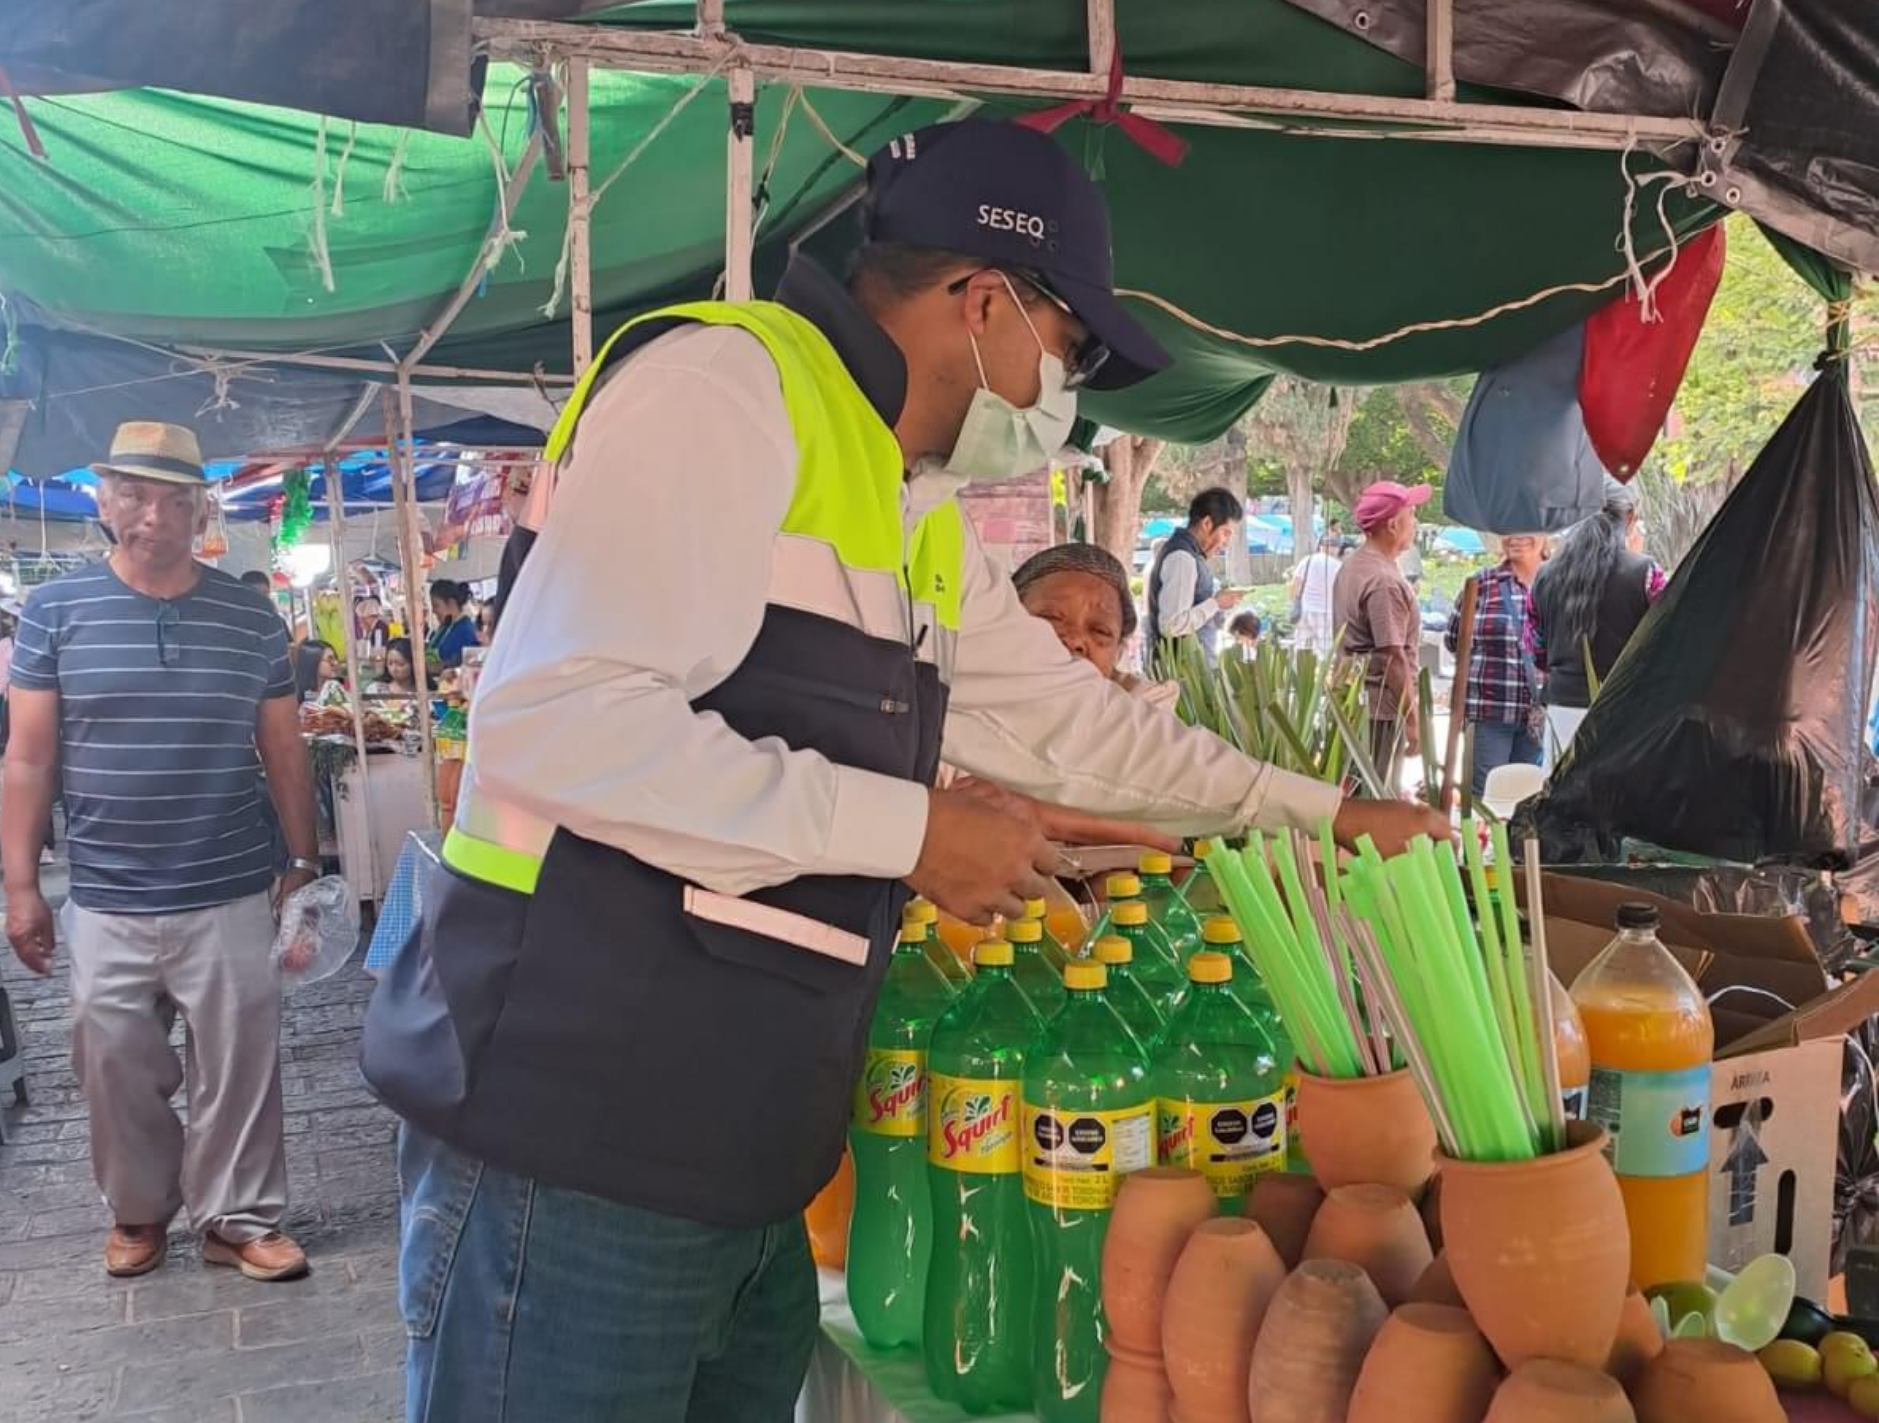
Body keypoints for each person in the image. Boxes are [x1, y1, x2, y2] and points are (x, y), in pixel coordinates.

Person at [360, 119, 1443, 1423]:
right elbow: (558, 725)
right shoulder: (725, 390)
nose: (1069, 391)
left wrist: (1330, 814)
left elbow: (1076, 725)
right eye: (1072, 348)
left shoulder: (903, 503)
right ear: (982, 301)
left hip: (743, 1157)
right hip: (575, 1146)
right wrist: (909, 829)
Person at [1, 420, 320, 1284]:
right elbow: (28, 756)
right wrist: (23, 884)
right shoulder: (53, 610)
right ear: (105, 502)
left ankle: (239, 1217)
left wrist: (303, 858)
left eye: (173, 499)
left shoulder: (250, 615)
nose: (152, 516)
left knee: (239, 1063)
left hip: (225, 882)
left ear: (198, 509)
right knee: (111, 1060)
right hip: (105, 890)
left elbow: (283, 746)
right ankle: (140, 1209)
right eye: (134, 495)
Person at [1529, 479, 1666, 758]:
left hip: (1561, 712)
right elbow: (1668, 640)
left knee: (1561, 795)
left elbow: (1537, 652)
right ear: (1630, 517)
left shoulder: (1544, 575)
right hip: (1625, 710)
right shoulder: (1646, 573)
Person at [1335, 480, 1433, 785]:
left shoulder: (1353, 566)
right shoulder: (1383, 582)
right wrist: (1413, 718)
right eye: (1412, 515)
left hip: (1355, 702)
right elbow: (1392, 656)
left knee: (1357, 791)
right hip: (1380, 710)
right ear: (1393, 525)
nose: (1415, 523)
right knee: (1377, 795)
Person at [1011, 541, 1176, 710]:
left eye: (1100, 631)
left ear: (1118, 653)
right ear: (1004, 624)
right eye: (1050, 618)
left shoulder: (1142, 720)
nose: (1074, 640)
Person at [1446, 533, 1547, 798]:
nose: (1516, 536)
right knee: (1487, 801)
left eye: (1526, 527)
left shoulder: (1558, 582)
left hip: (1539, 717)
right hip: (1490, 713)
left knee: (1529, 802)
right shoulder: (1481, 583)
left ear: (1544, 533)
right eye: (1508, 528)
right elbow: (1454, 640)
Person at [1146, 485, 1246, 662]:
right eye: (1226, 533)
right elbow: (1172, 625)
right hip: (1183, 674)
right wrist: (1215, 603)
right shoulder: (1182, 558)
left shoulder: (1187, 554)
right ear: (1207, 524)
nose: (1226, 543)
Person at [1288, 538, 1342, 653]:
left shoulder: (1307, 560)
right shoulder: (1338, 566)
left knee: (1301, 648)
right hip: (1327, 613)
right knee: (1325, 652)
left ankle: (1300, 670)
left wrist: (1294, 603)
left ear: (1321, 546)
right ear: (1336, 549)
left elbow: (1295, 584)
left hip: (1305, 610)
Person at [426, 579, 479, 668]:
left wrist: (440, 667)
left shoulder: (467, 632)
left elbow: (469, 667)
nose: (433, 611)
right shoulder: (444, 627)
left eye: (436, 605)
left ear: (451, 603)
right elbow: (432, 655)